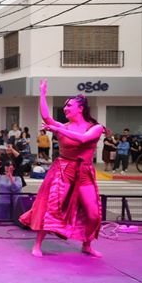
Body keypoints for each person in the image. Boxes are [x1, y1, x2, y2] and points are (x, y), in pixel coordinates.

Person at [19, 79, 104, 258]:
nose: (65, 109)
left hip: (84, 172)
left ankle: (87, 245)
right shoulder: (63, 126)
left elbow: (82, 139)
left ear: (80, 108)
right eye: (65, 107)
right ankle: (38, 244)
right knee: (52, 207)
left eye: (69, 106)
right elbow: (47, 117)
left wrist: (56, 129)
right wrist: (42, 93)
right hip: (63, 170)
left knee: (93, 213)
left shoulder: (96, 128)